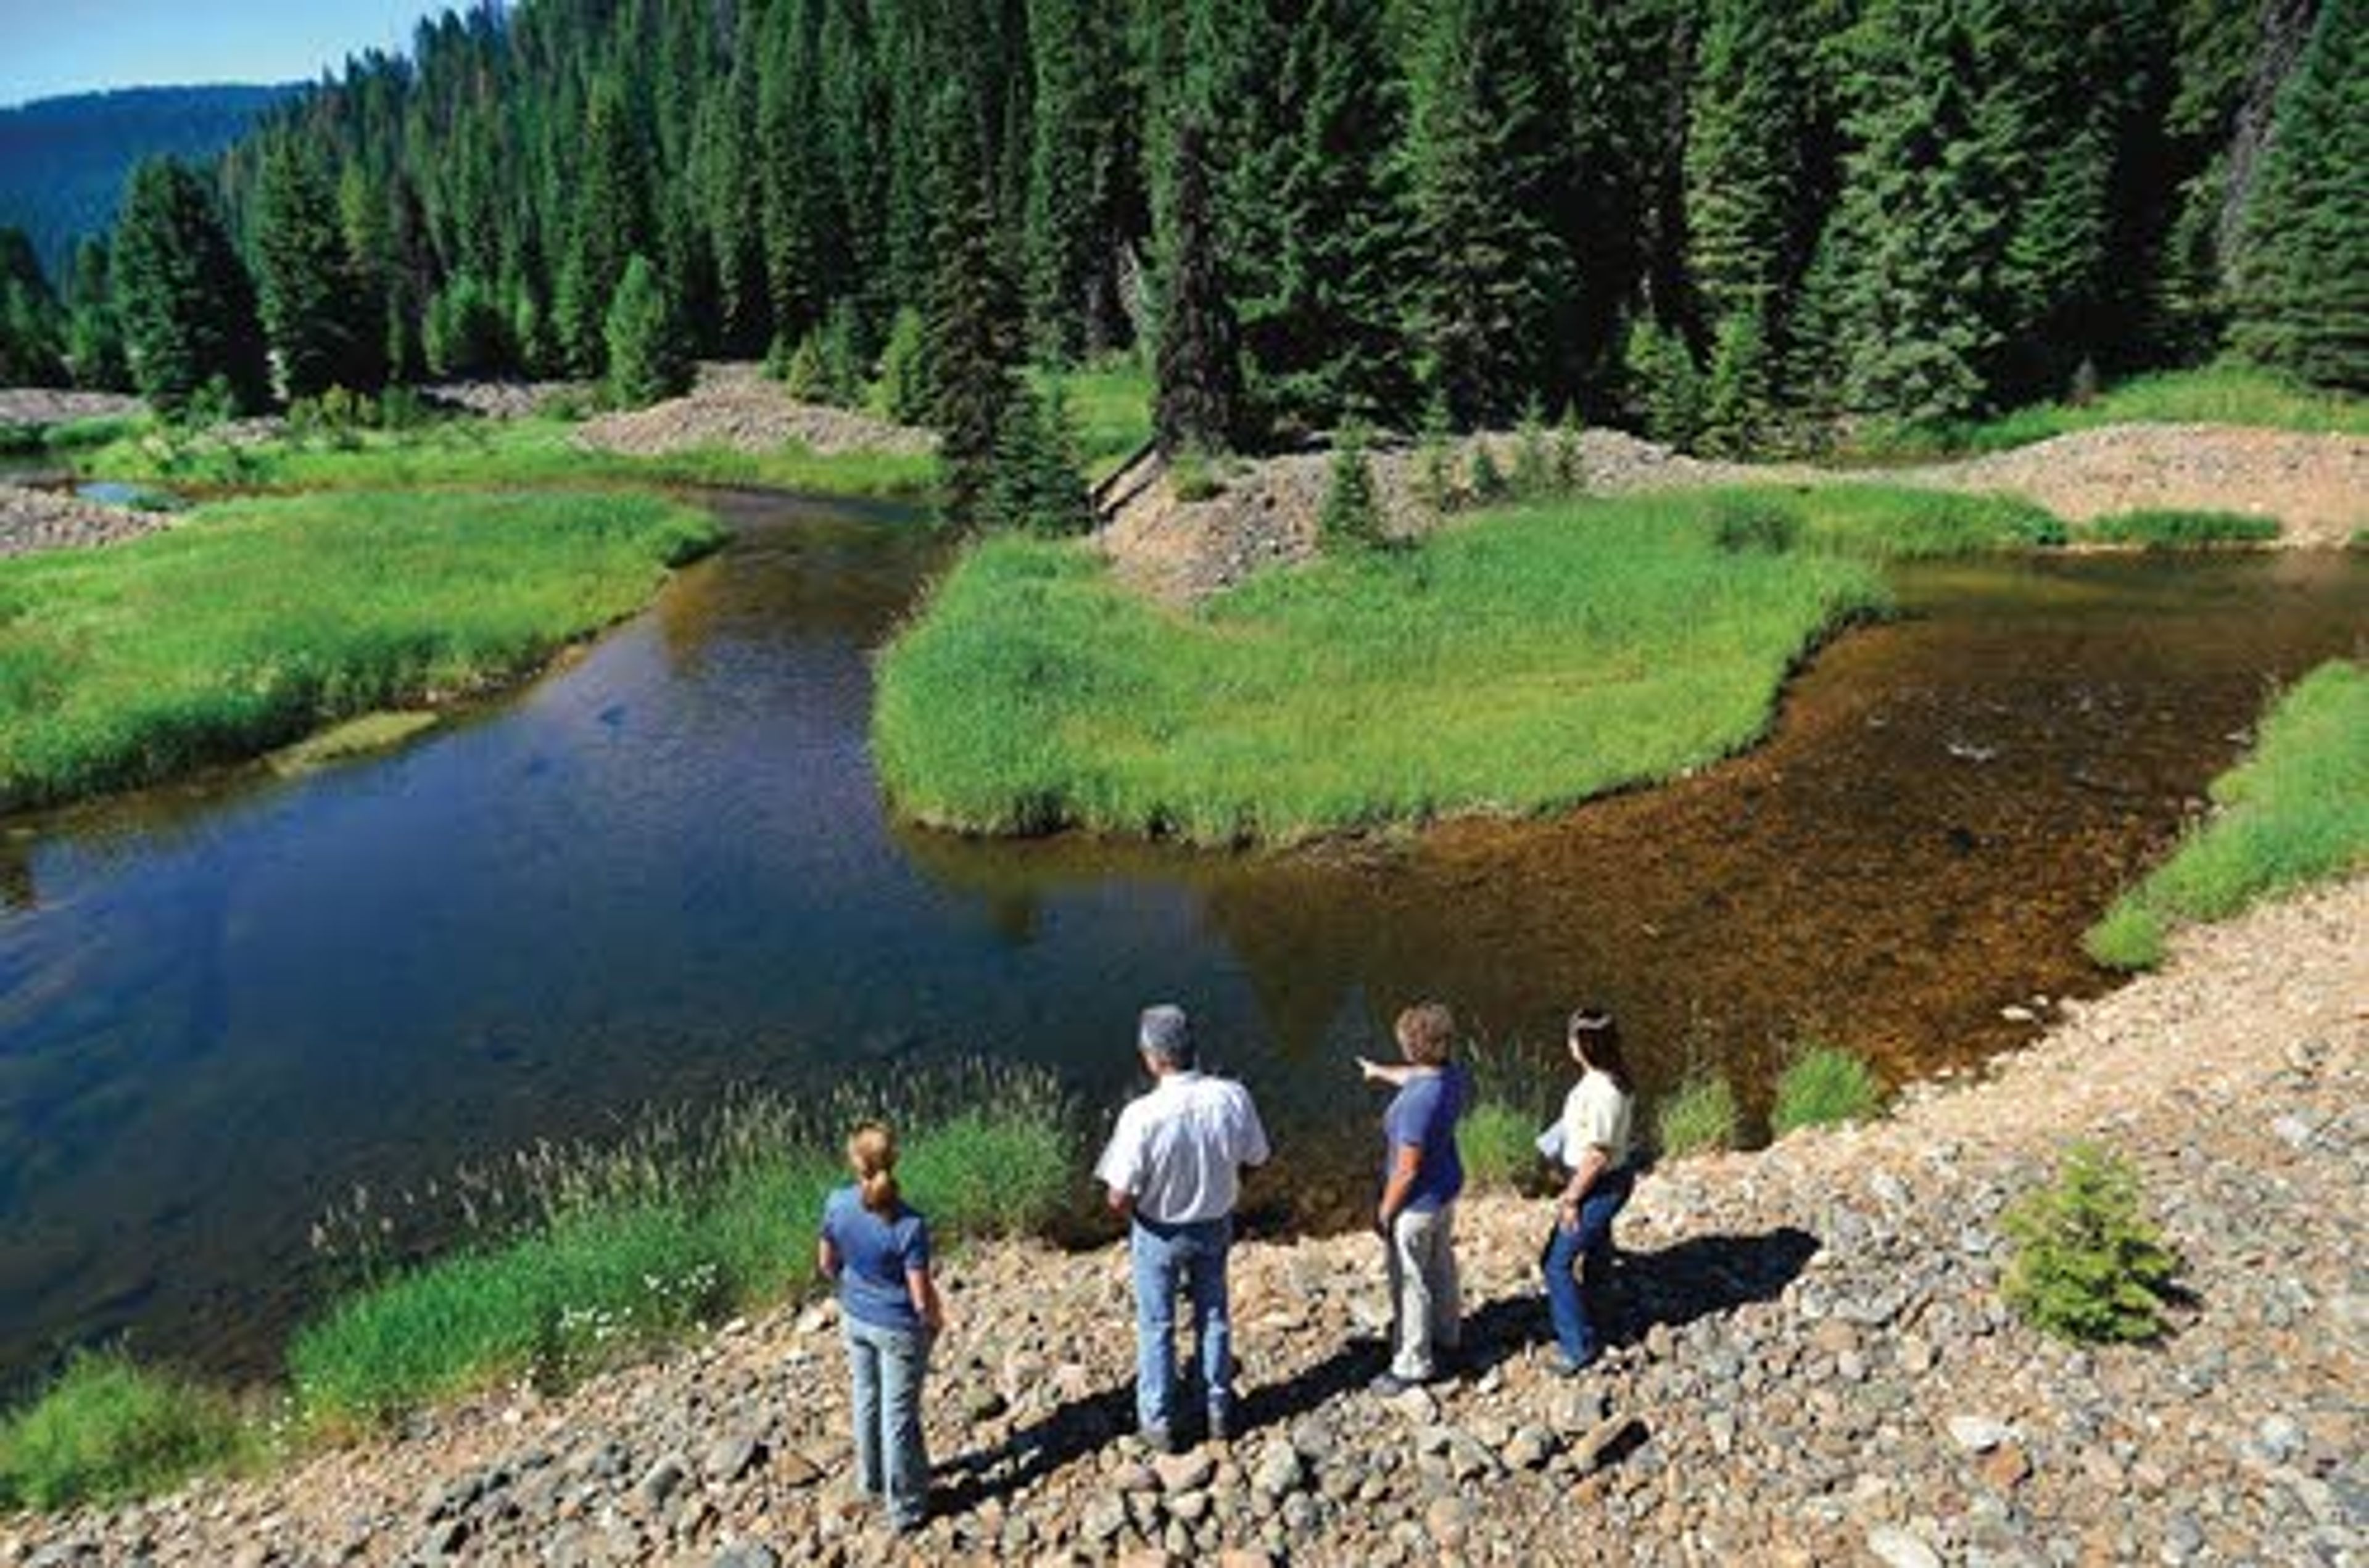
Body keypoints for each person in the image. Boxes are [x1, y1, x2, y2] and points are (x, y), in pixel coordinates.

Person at [1094, 1003, 1271, 1451]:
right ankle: (1218, 1408)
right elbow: (1257, 1159)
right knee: (1214, 1316)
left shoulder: (1141, 1115)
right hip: (1216, 1225)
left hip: (1158, 1233)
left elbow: (1117, 1196)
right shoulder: (1233, 1096)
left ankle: (1158, 1422)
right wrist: (1227, 1186)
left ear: (1153, 1058)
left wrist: (1136, 1209)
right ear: (1192, 1047)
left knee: (1157, 1325)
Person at [818, 1121, 944, 1535]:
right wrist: (934, 1323)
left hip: (855, 1317)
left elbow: (826, 1264)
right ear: (894, 1160)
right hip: (898, 1328)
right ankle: (905, 1507)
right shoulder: (910, 1224)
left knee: (866, 1399)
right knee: (899, 1416)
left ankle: (871, 1483)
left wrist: (851, 1286)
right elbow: (921, 1296)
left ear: (855, 1162)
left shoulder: (837, 1204)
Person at [1356, 1001, 1471, 1395]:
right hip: (1445, 1191)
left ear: (1413, 1046)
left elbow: (1406, 1169)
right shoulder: (1450, 1077)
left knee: (1411, 1280)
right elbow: (1416, 1077)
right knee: (1441, 1266)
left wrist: (1385, 1212)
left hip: (1416, 1205)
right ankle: (1448, 1335)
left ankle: (1412, 1363)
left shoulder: (1416, 1106)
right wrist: (1379, 1072)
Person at [1542, 1006, 1637, 1376]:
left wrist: (1571, 1199)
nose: (1568, 1043)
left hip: (1596, 1186)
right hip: (1605, 1180)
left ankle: (1577, 1347)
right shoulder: (1612, 1078)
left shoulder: (1602, 1092)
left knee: (1556, 1263)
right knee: (1596, 1249)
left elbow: (1596, 1157)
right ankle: (1602, 1313)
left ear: (1584, 1046)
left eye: (1572, 1037)